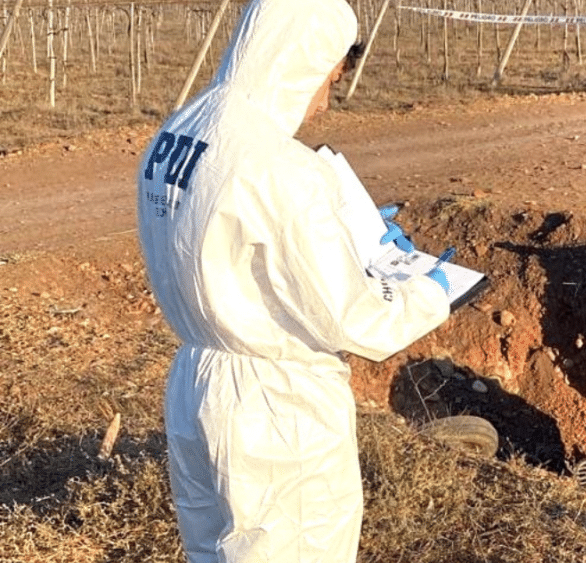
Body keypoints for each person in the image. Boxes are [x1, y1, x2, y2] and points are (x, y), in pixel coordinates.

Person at [136, 0, 451, 561]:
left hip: (197, 382)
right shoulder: (281, 167)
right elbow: (356, 317)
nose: (326, 98)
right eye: (328, 77)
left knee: (212, 550)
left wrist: (331, 233)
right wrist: (433, 289)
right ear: (301, 60)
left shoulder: (180, 131)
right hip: (279, 411)